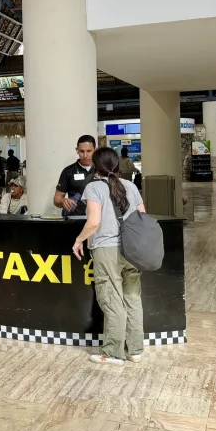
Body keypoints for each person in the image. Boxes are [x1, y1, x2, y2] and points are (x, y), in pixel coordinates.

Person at [72, 147, 146, 365]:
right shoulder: (130, 186)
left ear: (96, 165)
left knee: (112, 299)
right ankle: (135, 350)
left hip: (107, 250)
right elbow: (142, 215)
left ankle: (113, 352)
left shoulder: (94, 187)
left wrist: (78, 240)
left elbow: (94, 222)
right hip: (132, 251)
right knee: (132, 298)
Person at [54, 135, 96, 215]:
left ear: (95, 150)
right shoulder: (68, 171)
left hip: (97, 219)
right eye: (82, 151)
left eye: (89, 151)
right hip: (75, 219)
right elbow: (57, 199)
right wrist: (63, 201)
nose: (85, 155)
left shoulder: (102, 170)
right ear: (77, 150)